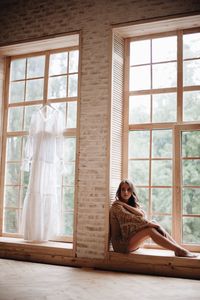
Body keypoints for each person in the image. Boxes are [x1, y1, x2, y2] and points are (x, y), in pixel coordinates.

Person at [110, 179, 198, 257]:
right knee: (150, 230)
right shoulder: (117, 207)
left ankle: (179, 249)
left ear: (132, 192)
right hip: (120, 244)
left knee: (153, 222)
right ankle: (179, 250)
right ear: (119, 191)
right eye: (123, 189)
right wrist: (148, 224)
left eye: (128, 189)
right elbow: (133, 219)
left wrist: (124, 204)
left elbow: (141, 214)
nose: (126, 192)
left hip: (129, 240)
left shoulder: (125, 204)